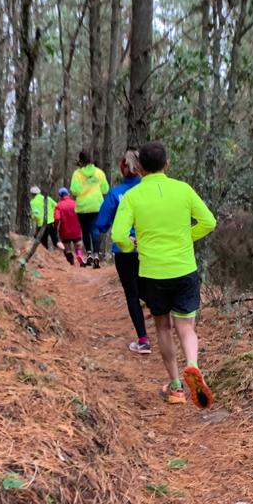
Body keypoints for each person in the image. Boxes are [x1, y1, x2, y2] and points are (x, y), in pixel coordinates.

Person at [111, 141, 216, 408]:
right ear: (167, 164)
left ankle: (177, 387)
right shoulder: (183, 190)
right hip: (184, 269)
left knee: (163, 327)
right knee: (186, 327)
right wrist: (185, 238)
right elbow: (209, 222)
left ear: (141, 168)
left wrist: (132, 246)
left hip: (152, 273)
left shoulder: (133, 197)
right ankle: (192, 365)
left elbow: (119, 236)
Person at [95, 149, 151, 354]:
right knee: (150, 287)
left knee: (132, 293)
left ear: (122, 168)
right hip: (150, 248)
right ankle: (168, 325)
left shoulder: (116, 193)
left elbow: (101, 225)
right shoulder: (150, 190)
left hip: (124, 250)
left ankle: (143, 339)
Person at [69, 150, 109, 268]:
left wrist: (83, 189)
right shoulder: (99, 172)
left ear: (80, 160)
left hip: (83, 207)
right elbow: (105, 189)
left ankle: (89, 254)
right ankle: (97, 255)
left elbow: (75, 190)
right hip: (97, 205)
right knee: (95, 230)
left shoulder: (77, 174)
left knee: (85, 231)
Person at [54, 187, 85, 266]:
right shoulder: (75, 203)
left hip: (65, 230)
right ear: (68, 194)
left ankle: (71, 262)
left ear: (60, 196)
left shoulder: (59, 205)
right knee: (78, 245)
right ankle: (79, 255)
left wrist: (55, 226)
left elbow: (57, 218)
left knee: (67, 248)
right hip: (76, 229)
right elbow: (81, 214)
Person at [29, 186, 60, 251]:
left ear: (32, 194)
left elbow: (36, 215)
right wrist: (52, 214)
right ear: (39, 192)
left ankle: (46, 259)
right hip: (52, 222)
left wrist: (31, 216)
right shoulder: (48, 198)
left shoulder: (32, 203)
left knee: (43, 243)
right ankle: (64, 253)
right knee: (56, 241)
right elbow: (57, 206)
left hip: (42, 225)